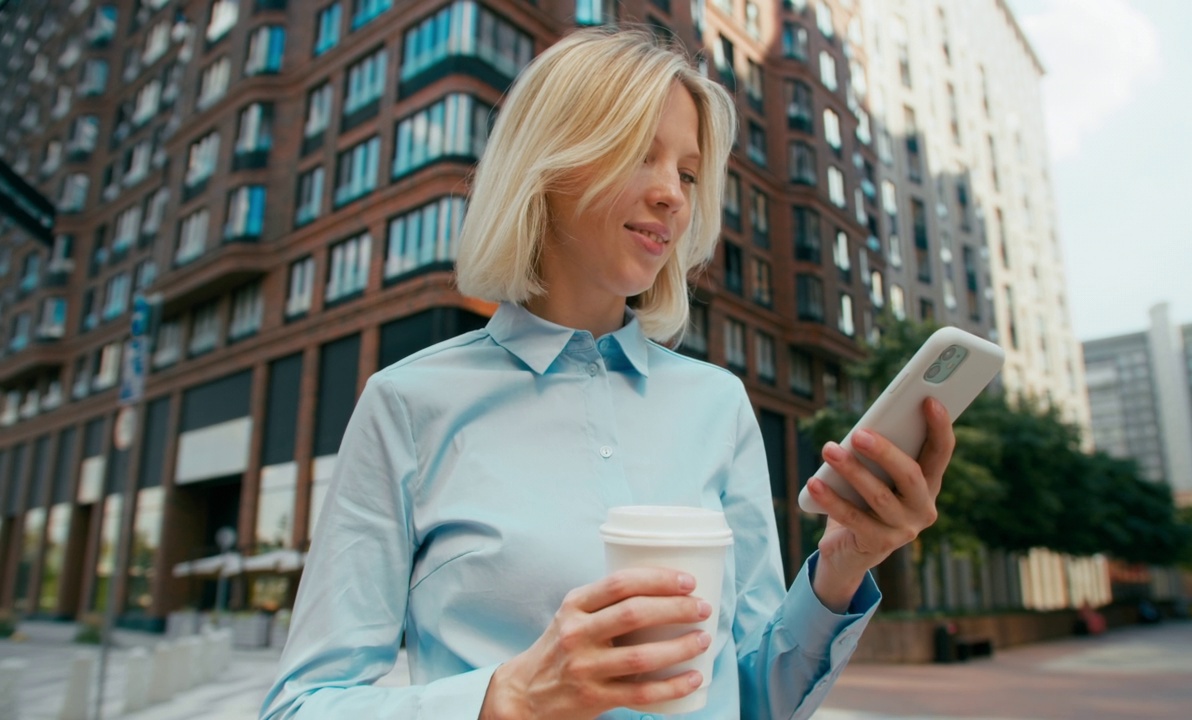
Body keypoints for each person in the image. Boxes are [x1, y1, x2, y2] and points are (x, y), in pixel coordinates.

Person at [261, 28, 954, 720]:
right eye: (639, 155)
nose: (673, 197)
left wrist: (843, 566)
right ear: (550, 163)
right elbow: (299, 706)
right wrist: (506, 698)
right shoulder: (407, 406)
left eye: (686, 173)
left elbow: (755, 700)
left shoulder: (720, 405)